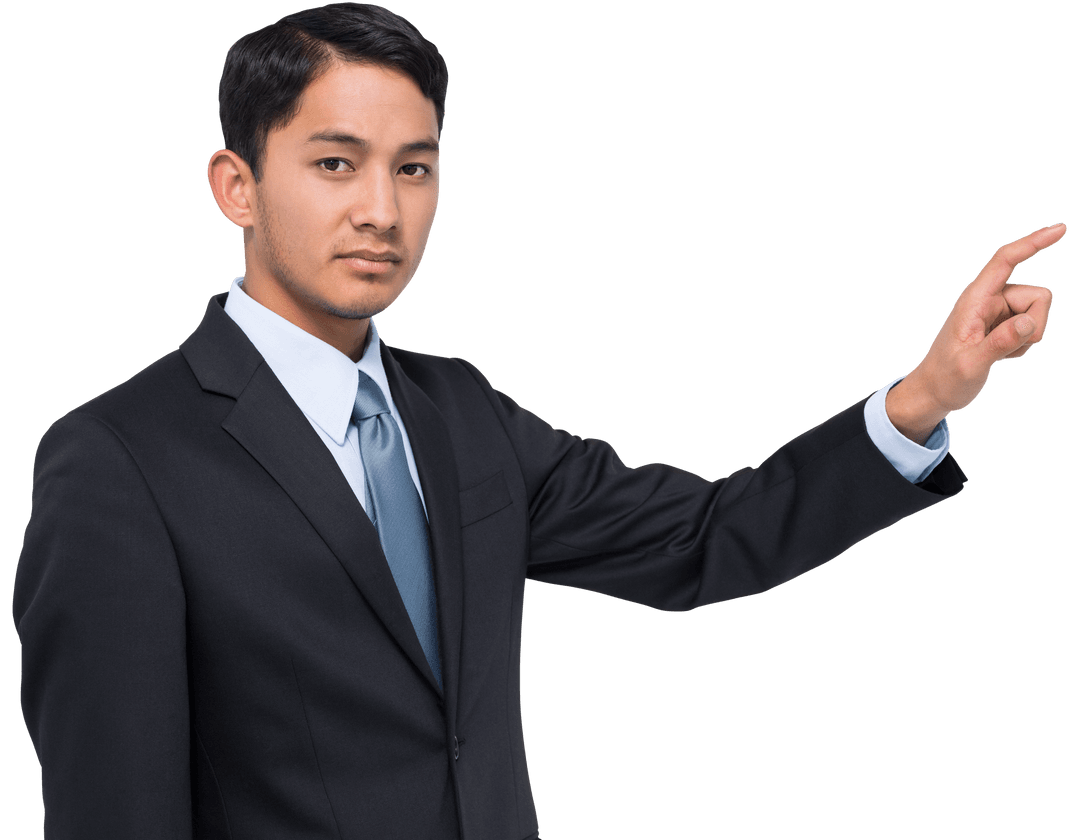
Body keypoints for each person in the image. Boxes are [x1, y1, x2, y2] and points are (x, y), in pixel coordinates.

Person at [11, 3, 1060, 839]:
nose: (382, 209)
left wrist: (926, 397)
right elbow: (116, 810)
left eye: (413, 167)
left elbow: (704, 539)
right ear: (236, 186)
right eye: (335, 163)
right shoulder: (117, 460)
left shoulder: (459, 412)